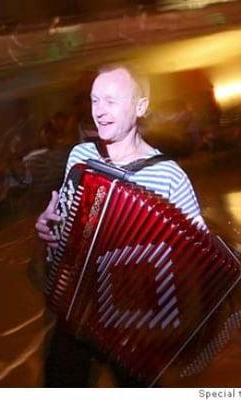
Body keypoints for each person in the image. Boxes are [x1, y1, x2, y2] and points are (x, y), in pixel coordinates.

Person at [34, 64, 206, 387]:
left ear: (141, 107)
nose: (100, 111)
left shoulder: (169, 177)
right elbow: (64, 232)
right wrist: (47, 229)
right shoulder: (81, 156)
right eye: (95, 100)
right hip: (76, 309)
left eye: (112, 101)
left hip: (135, 326)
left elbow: (198, 258)